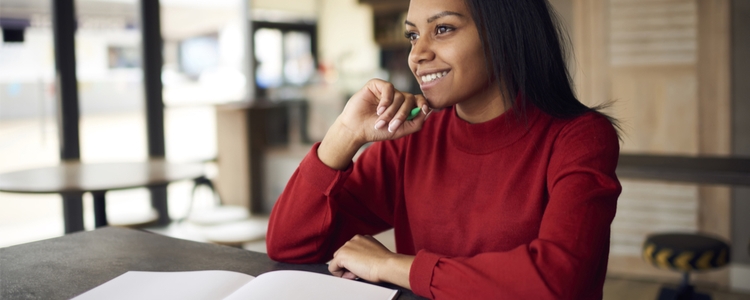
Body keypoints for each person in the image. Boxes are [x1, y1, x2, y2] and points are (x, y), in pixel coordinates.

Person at [266, 0, 622, 298]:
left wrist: (390, 265)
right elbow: (289, 243)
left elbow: (557, 281)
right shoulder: (414, 137)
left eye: (443, 29)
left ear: (504, 33)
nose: (417, 54)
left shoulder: (580, 138)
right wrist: (344, 134)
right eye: (412, 35)